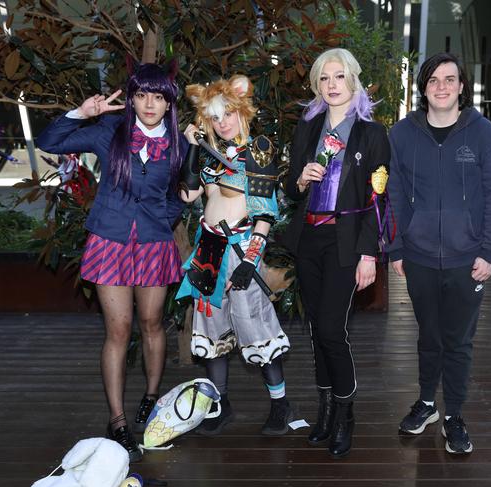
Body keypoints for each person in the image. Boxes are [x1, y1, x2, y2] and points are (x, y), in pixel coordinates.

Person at [36, 62, 188, 462]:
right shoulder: (110, 131)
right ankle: (117, 420)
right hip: (109, 240)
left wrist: (161, 220)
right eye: (141, 95)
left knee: (153, 323)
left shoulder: (179, 142)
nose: (149, 104)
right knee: (118, 331)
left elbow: (178, 193)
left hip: (154, 243)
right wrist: (81, 114)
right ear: (132, 97)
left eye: (158, 96)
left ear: (169, 100)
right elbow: (48, 142)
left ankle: (151, 397)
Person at [386, 52, 491, 454]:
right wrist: (397, 246)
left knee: (458, 341)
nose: (442, 86)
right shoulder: (402, 134)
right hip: (418, 256)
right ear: (424, 87)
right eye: (434, 79)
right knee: (429, 337)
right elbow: (394, 195)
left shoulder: (483, 133)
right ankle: (426, 404)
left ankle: (454, 414)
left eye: (450, 79)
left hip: (467, 258)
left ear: (461, 86)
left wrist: (489, 251)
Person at [284, 48, 390, 458]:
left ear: (353, 81)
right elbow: (292, 183)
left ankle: (346, 415)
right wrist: (301, 179)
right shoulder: (307, 127)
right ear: (317, 84)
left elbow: (379, 200)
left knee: (331, 330)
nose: (332, 85)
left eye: (339, 77)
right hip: (309, 239)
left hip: (346, 242)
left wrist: (369, 255)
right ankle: (325, 412)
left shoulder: (371, 133)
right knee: (317, 330)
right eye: (324, 78)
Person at [176, 75, 293, 437]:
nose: (223, 122)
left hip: (243, 250)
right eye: (214, 117)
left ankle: (280, 404)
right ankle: (221, 404)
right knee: (211, 331)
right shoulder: (211, 155)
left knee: (256, 325)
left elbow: (264, 215)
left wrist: (249, 260)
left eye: (228, 113)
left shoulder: (257, 152)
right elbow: (187, 195)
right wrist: (193, 148)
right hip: (209, 249)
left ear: (242, 112)